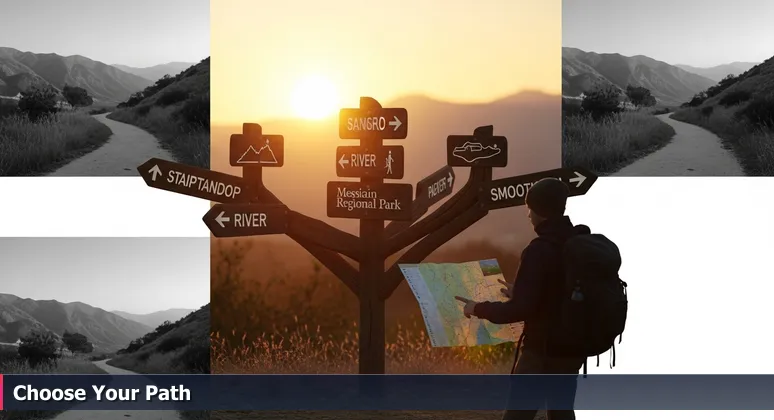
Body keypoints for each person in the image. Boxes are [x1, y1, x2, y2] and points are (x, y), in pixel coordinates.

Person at [455, 177, 590, 420]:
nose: (528, 216)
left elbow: (518, 311)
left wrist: (477, 308)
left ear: (539, 211)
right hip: (572, 350)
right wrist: (521, 290)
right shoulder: (577, 242)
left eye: (530, 209)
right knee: (561, 413)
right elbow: (558, 291)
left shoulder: (539, 249)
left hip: (541, 352)